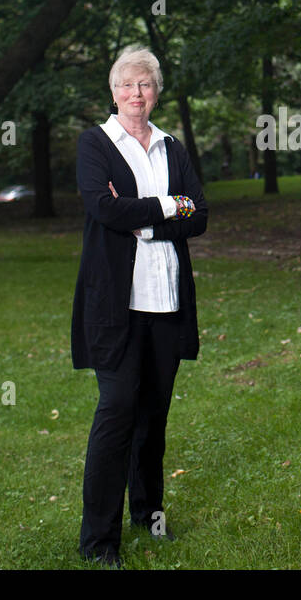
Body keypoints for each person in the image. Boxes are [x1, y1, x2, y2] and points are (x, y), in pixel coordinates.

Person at [71, 46, 207, 567]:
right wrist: (171, 206)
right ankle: (98, 540)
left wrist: (149, 217)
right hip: (116, 305)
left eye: (145, 85)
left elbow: (199, 213)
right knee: (117, 410)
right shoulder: (95, 144)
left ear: (156, 92)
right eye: (127, 85)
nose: (136, 94)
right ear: (113, 92)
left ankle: (148, 514)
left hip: (166, 299)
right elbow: (102, 208)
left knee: (154, 413)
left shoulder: (172, 146)